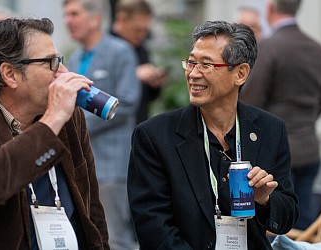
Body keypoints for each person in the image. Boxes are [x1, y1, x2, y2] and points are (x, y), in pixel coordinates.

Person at [0, 17, 109, 249]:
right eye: (50, 62)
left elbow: (91, 206)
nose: (62, 72)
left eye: (59, 61)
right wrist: (52, 119)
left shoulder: (68, 118)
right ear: (10, 74)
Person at [127, 20, 299, 249]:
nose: (193, 74)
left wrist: (265, 199)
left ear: (240, 73)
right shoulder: (154, 137)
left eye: (206, 65)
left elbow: (287, 217)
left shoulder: (270, 130)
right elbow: (154, 229)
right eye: (190, 62)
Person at [239, 0, 321, 230]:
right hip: (310, 148)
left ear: (270, 9)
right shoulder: (317, 49)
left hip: (276, 154)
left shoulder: (268, 48)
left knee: (275, 225)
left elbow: (250, 103)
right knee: (305, 222)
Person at [63, 0, 141, 249]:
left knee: (116, 238)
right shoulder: (73, 59)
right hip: (83, 166)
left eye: (74, 14)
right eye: (66, 15)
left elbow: (128, 102)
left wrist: (78, 125)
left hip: (112, 166)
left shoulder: (121, 51)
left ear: (95, 18)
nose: (68, 21)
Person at [111, 0, 167, 124]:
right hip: (112, 131)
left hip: (138, 125)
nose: (142, 35)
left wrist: (154, 83)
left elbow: (148, 98)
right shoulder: (103, 47)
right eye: (137, 29)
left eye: (145, 31)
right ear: (121, 19)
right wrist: (134, 75)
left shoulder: (141, 49)